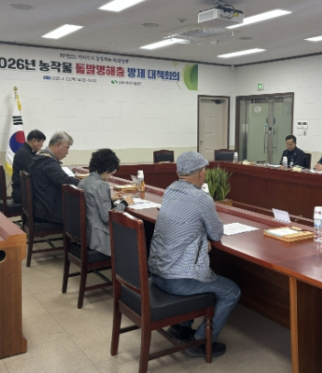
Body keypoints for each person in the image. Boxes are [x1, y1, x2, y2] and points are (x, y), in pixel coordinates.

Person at [148, 151, 241, 359]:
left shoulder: (170, 191)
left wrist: (199, 237)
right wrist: (204, 237)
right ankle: (202, 341)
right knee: (232, 291)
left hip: (157, 274)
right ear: (200, 173)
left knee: (187, 264)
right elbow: (216, 233)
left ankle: (181, 328)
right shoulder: (201, 198)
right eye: (205, 170)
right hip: (177, 281)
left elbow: (185, 226)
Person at [78, 149, 133, 256]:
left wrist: (110, 199)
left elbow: (91, 202)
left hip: (87, 233)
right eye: (111, 172)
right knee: (134, 233)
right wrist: (124, 203)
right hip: (99, 238)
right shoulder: (101, 185)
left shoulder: (83, 182)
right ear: (107, 169)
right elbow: (107, 217)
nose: (110, 176)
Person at [29, 131, 79, 225]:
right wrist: (85, 183)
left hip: (40, 207)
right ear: (58, 145)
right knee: (84, 211)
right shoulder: (48, 163)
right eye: (67, 148)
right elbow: (65, 181)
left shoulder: (39, 157)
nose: (67, 152)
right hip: (48, 212)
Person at [11, 129, 46, 203]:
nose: (42, 146)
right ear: (34, 141)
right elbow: (34, 173)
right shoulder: (25, 153)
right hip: (21, 193)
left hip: (21, 191)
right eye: (41, 143)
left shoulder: (26, 151)